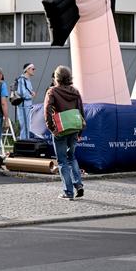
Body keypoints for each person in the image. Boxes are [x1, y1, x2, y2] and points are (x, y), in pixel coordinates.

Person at [44, 65, 86, 200]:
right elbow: (81, 111)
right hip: (74, 128)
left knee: (62, 161)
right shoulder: (75, 92)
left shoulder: (52, 91)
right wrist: (80, 131)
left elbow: (47, 110)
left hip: (60, 129)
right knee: (72, 157)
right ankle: (78, 184)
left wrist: (52, 128)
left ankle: (68, 192)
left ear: (56, 78)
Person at [16, 63, 37, 140]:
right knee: (24, 126)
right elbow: (22, 93)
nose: (34, 70)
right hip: (23, 106)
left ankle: (26, 142)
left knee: (27, 126)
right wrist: (31, 95)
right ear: (27, 70)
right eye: (33, 69)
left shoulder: (27, 80)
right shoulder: (21, 79)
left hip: (27, 106)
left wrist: (31, 93)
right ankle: (24, 142)